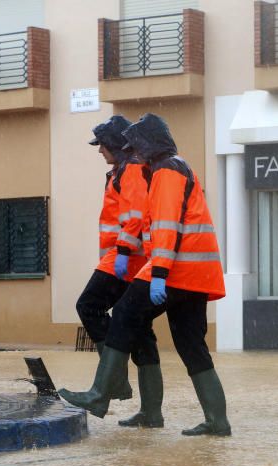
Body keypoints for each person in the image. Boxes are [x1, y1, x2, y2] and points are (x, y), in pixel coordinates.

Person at [60, 113, 231, 437]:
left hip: (177, 268)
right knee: (190, 343)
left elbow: (166, 225)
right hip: (195, 272)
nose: (133, 153)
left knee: (124, 312)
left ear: (148, 146)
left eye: (136, 146)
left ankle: (100, 393)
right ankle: (217, 421)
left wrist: (159, 273)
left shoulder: (167, 171)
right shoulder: (175, 167)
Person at [70, 115, 148, 404]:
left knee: (88, 306)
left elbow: (136, 216)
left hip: (127, 259)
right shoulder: (121, 172)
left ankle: (113, 382)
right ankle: (139, 404)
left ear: (116, 143)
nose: (99, 150)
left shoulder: (133, 171)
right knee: (139, 334)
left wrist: (124, 254)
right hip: (122, 259)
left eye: (102, 144)